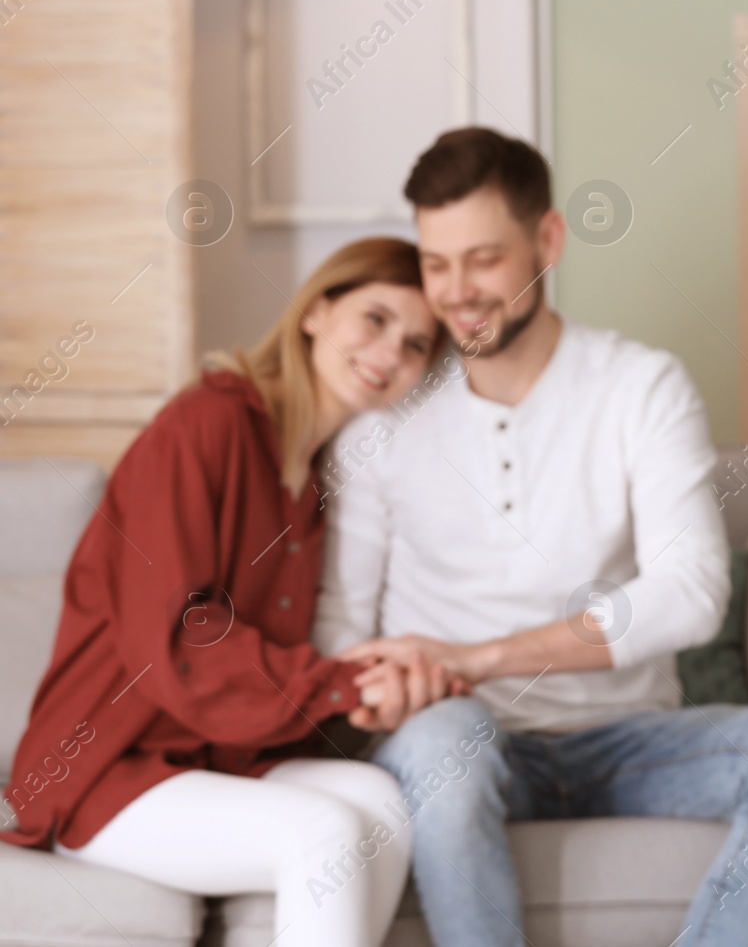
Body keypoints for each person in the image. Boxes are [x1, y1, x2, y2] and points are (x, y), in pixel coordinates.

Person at [313, 127, 748, 947]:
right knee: (449, 748)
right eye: (436, 262)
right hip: (461, 736)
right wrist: (394, 682)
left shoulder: (641, 385)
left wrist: (477, 656)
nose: (457, 291)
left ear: (549, 240)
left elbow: (691, 594)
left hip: (629, 737)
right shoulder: (380, 426)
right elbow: (341, 633)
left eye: (484, 258)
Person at [1, 238, 453, 947]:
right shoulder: (205, 424)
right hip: (104, 769)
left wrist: (377, 688)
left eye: (417, 343)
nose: (391, 352)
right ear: (316, 310)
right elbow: (180, 639)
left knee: (384, 806)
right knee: (326, 832)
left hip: (215, 759)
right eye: (375, 319)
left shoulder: (320, 483)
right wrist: (341, 683)